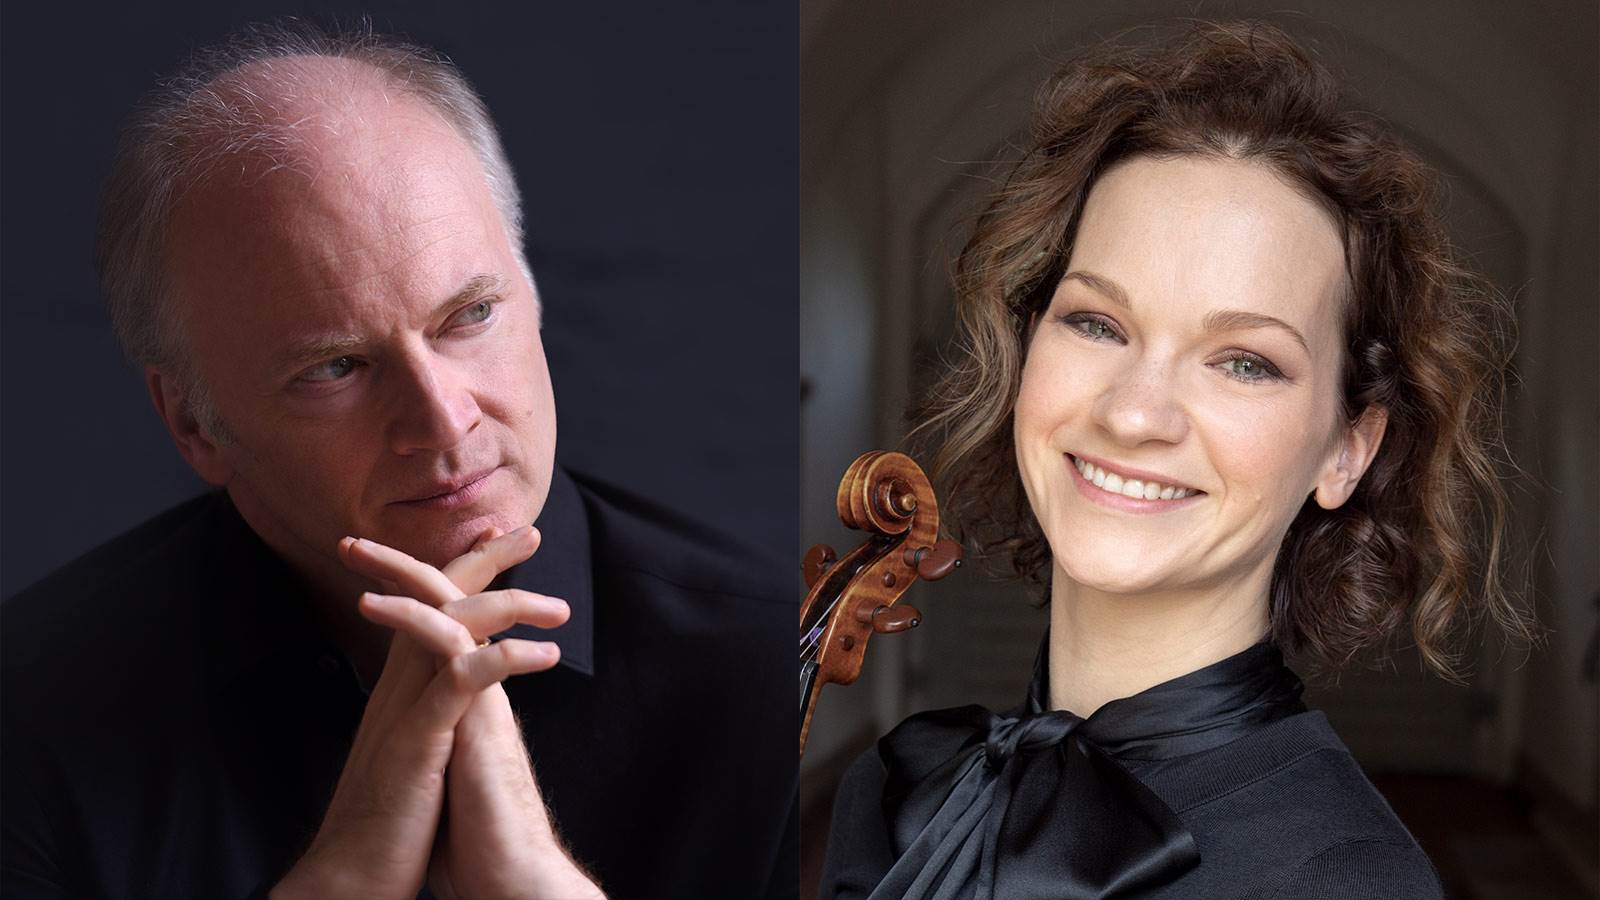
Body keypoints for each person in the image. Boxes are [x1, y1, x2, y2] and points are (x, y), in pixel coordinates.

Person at [1, 23, 794, 899]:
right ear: (194, 424)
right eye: (336, 367)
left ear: (531, 295)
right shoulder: (27, 714)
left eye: (470, 316)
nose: (444, 422)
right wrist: (341, 881)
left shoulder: (775, 675)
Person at [818, 20, 1531, 899]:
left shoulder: (1345, 879)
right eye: (1096, 322)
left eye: (1245, 362)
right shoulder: (900, 789)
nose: (1134, 413)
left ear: (1348, 449)